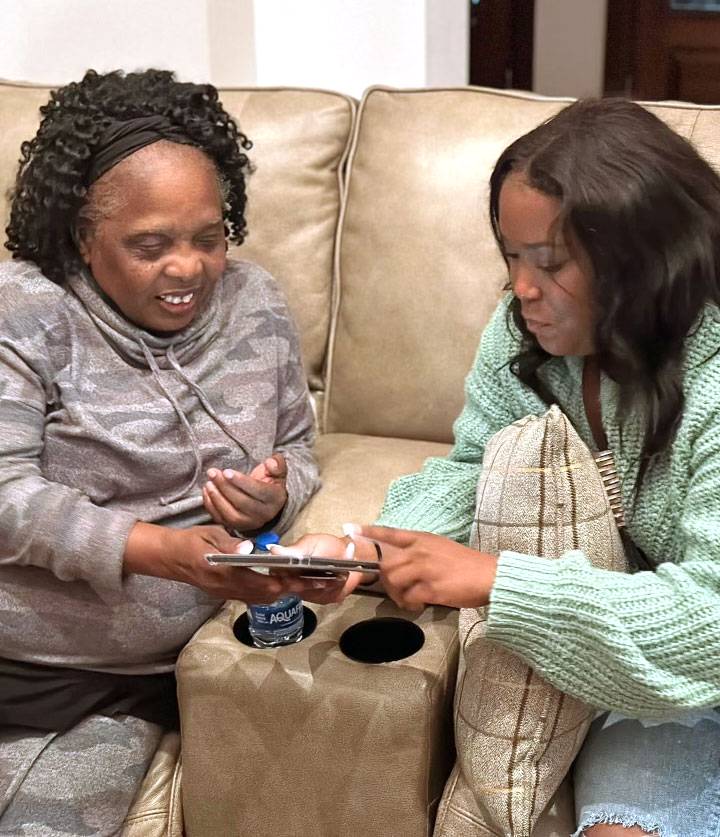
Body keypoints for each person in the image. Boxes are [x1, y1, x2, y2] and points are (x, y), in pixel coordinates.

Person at [272, 99, 720, 837]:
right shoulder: (523, 339)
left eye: (548, 262)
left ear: (643, 255)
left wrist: (497, 581)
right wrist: (365, 549)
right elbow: (473, 468)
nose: (521, 287)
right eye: (510, 256)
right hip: (641, 672)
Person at [0, 68, 329, 834]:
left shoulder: (258, 305)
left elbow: (299, 447)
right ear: (83, 236)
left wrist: (275, 494)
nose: (188, 268)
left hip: (126, 683)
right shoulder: (26, 311)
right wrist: (156, 550)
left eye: (209, 238)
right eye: (150, 245)